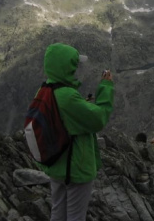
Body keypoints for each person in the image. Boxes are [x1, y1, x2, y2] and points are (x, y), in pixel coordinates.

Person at [40, 43, 114, 221]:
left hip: (56, 164)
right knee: (76, 217)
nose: (76, 68)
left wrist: (83, 105)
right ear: (66, 67)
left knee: (57, 213)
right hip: (75, 169)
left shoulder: (45, 90)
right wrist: (106, 88)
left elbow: (66, 119)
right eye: (74, 64)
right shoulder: (67, 96)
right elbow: (99, 119)